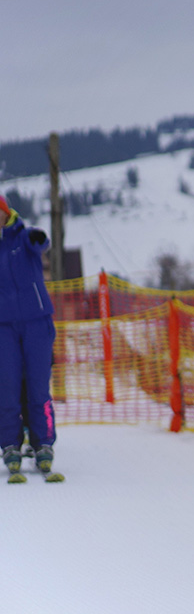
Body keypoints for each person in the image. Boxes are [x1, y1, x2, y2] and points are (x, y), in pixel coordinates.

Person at [0, 195, 59, 480]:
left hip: (36, 322)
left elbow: (40, 243)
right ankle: (10, 445)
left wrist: (39, 237)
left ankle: (43, 443)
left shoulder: (23, 237)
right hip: (3, 327)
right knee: (7, 388)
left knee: (38, 387)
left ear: (6, 212)